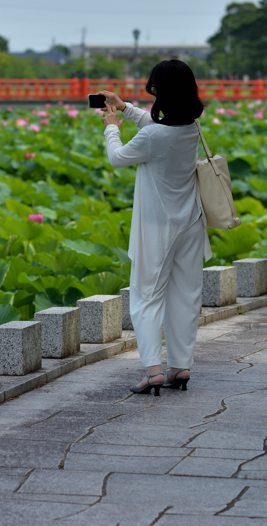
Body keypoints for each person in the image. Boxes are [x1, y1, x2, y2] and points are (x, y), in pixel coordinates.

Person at [98, 60, 211, 396]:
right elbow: (160, 128)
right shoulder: (190, 127)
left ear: (162, 92)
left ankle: (152, 371)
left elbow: (118, 157)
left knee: (147, 296)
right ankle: (180, 366)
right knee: (185, 296)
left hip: (156, 227)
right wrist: (126, 108)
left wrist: (112, 125)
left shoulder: (152, 136)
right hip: (190, 222)